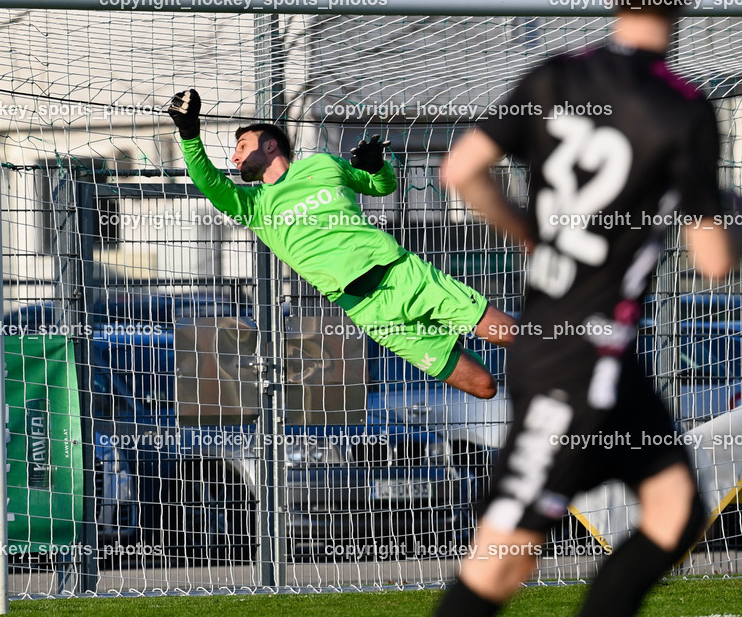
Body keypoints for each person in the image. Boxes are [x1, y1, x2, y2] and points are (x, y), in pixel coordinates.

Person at [426, 0, 742, 617]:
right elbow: (713, 259)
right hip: (574, 364)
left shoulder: (556, 76)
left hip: (599, 357)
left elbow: (460, 170)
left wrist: (531, 236)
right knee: (502, 560)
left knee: (675, 511)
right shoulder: (683, 108)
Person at [166, 90, 517, 399]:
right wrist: (188, 132)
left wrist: (378, 168)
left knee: (509, 335)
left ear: (270, 144)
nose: (235, 158)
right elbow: (207, 180)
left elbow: (381, 186)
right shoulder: (255, 206)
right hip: (372, 312)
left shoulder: (324, 165)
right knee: (484, 386)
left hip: (404, 276)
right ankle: (460, 346)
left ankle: (567, 364)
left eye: (241, 147)